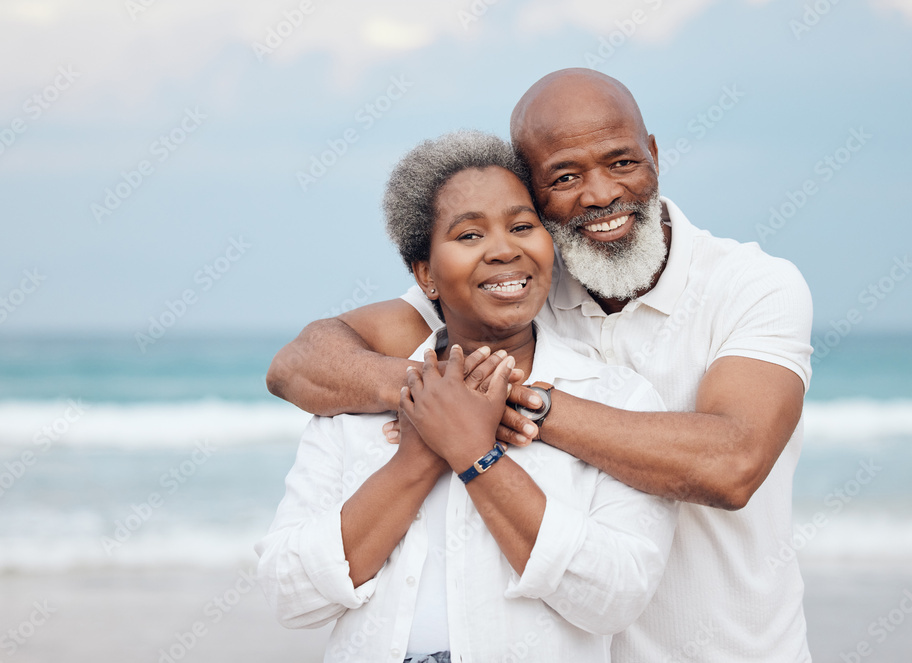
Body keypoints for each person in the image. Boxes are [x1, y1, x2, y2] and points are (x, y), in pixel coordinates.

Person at [266, 69, 815, 662]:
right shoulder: (520, 284)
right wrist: (436, 398)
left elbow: (731, 464)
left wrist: (512, 404)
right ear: (532, 189)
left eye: (622, 162)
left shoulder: (751, 285)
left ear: (654, 154)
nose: (601, 194)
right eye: (565, 176)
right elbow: (301, 364)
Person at [256, 131, 678, 663]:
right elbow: (290, 594)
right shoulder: (355, 406)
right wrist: (416, 456)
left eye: (523, 227)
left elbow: (616, 598)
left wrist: (477, 458)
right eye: (470, 235)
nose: (504, 249)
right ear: (426, 276)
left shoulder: (618, 398)